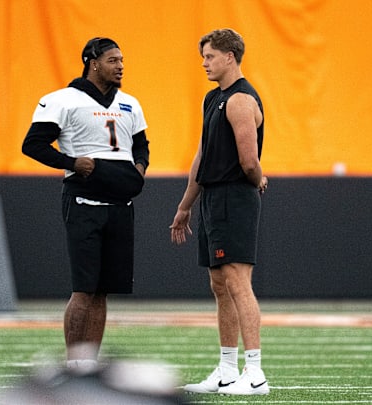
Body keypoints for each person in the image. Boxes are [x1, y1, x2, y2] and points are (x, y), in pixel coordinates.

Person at [22, 37, 150, 374]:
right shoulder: (62, 100)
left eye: (122, 59)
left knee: (103, 291)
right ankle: (72, 366)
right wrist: (72, 162)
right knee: (84, 289)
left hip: (120, 202)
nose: (120, 66)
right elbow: (33, 145)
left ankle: (89, 368)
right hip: (83, 200)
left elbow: (141, 145)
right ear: (92, 61)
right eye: (112, 60)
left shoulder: (130, 103)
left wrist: (138, 171)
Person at [169, 28, 269, 396]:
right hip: (212, 197)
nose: (205, 63)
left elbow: (249, 160)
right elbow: (201, 157)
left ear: (230, 56)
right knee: (220, 286)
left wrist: (259, 178)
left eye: (210, 56)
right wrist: (185, 205)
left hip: (234, 196)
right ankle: (227, 368)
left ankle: (255, 373)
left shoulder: (241, 100)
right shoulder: (213, 99)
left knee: (238, 283)